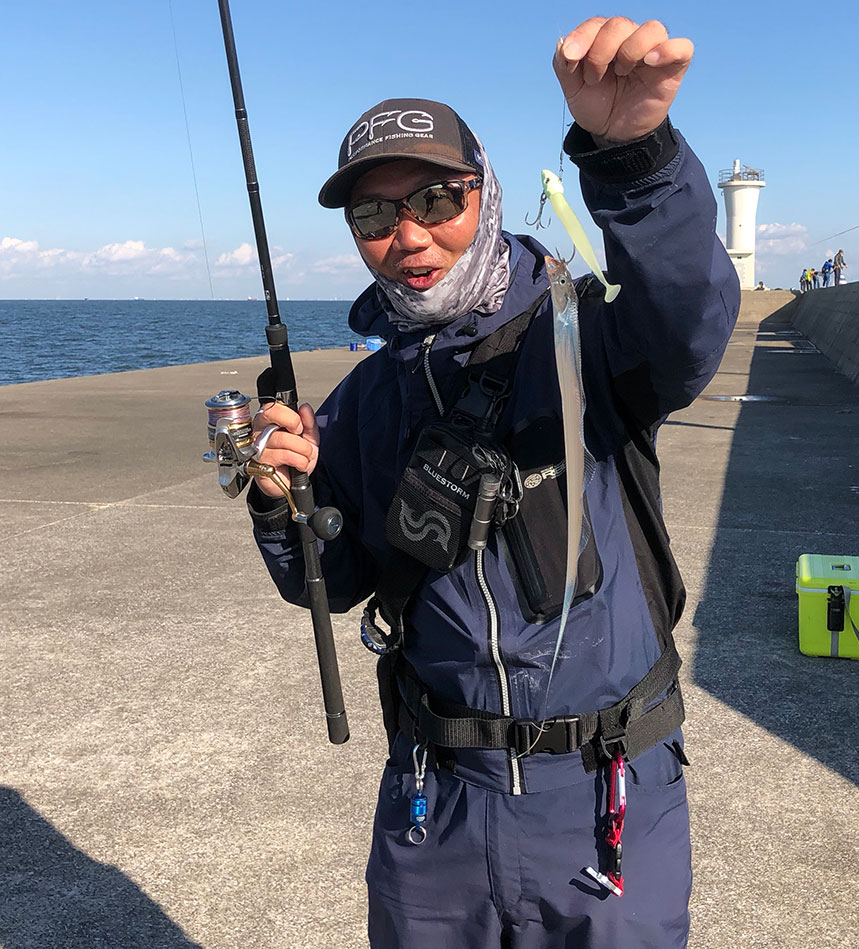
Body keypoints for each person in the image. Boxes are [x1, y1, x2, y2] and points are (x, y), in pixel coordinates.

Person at [247, 16, 738, 948]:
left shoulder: (584, 338)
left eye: (438, 198)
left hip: (606, 799)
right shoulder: (361, 402)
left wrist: (633, 157)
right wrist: (284, 506)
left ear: (487, 191)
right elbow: (335, 577)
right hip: (434, 809)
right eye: (374, 215)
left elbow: (687, 323)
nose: (409, 234)